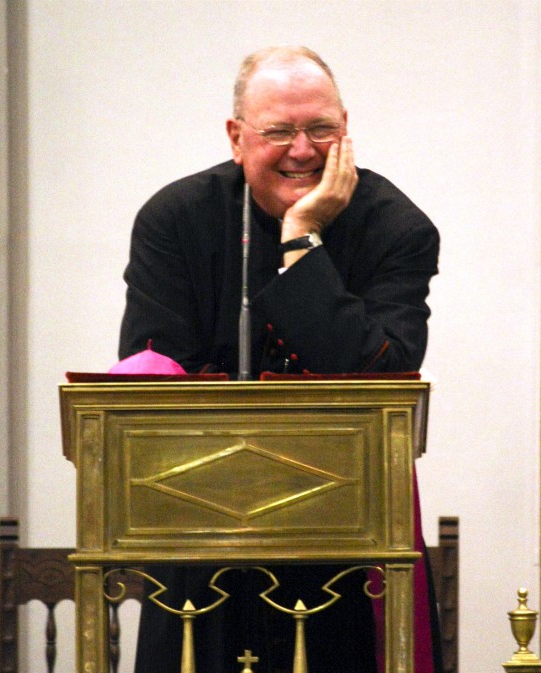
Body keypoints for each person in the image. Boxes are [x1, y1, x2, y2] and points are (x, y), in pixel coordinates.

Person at [119, 46, 440, 673]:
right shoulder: (175, 220)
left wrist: (302, 235)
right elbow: (153, 375)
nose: (303, 149)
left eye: (321, 129)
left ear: (345, 128)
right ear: (237, 137)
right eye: (279, 132)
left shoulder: (397, 228)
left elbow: (380, 376)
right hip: (203, 531)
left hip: (346, 539)